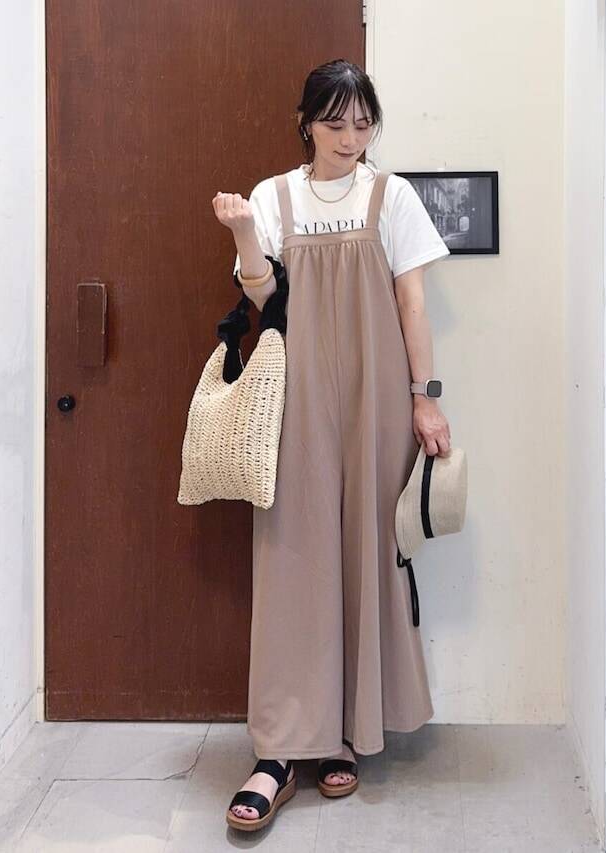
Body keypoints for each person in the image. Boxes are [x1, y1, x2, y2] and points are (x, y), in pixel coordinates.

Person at [212, 58, 452, 832]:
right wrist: (244, 233)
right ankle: (282, 747)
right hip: (296, 399)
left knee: (368, 556)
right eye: (336, 122)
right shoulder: (275, 196)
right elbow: (261, 295)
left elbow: (412, 301)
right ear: (306, 122)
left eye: (363, 122)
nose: (351, 137)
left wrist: (425, 396)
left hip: (377, 400)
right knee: (292, 559)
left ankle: (350, 729)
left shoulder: (391, 195)